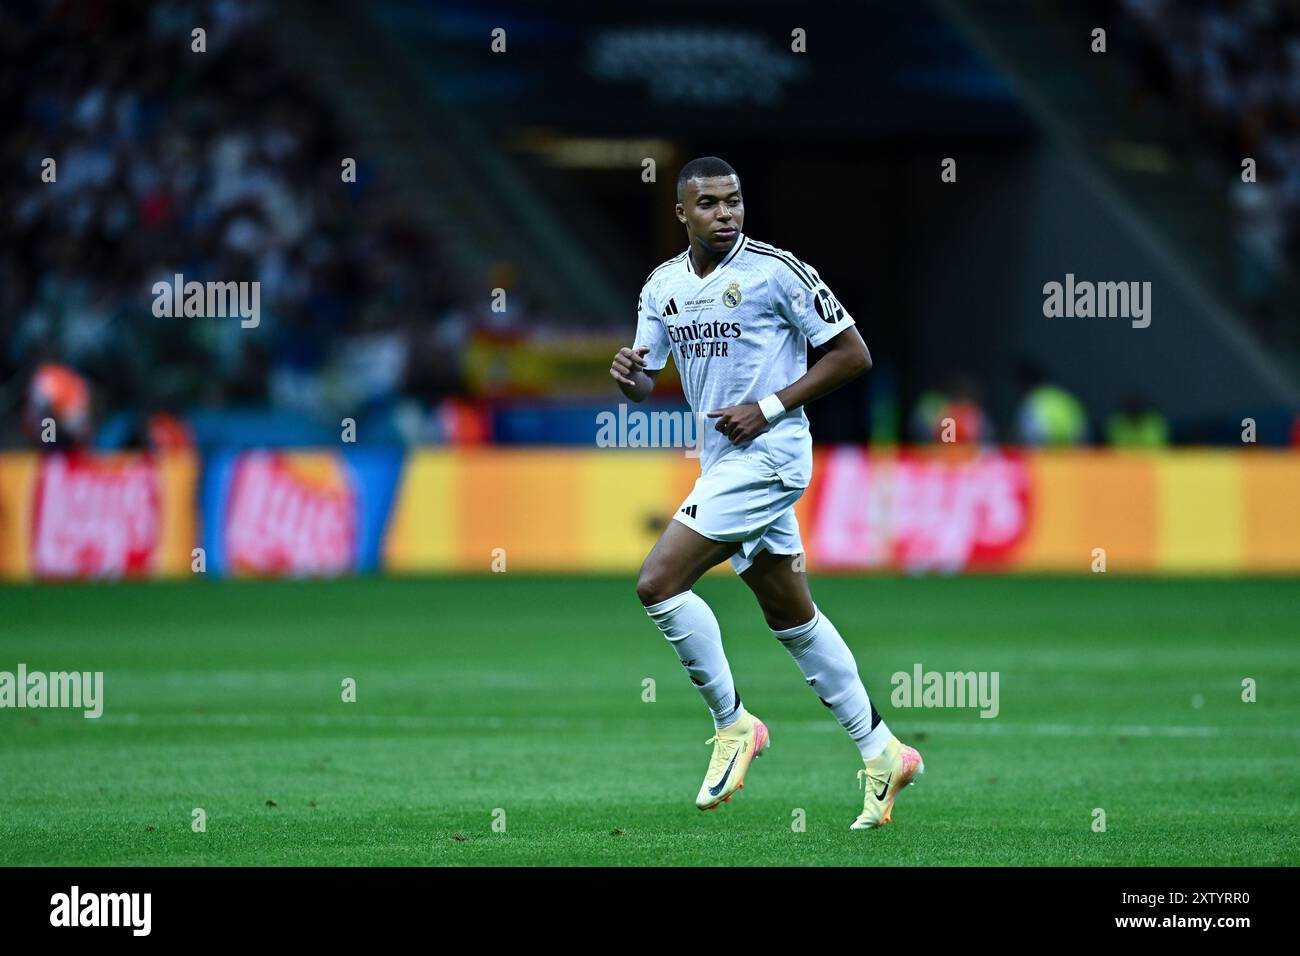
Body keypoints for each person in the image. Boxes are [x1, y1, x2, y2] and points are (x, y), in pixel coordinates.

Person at [609, 157, 923, 829]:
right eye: (710, 204)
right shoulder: (662, 286)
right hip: (722, 462)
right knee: (792, 617)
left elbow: (852, 353)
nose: (725, 213)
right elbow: (645, 378)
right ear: (682, 213)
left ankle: (733, 725)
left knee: (658, 582)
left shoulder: (776, 271)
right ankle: (883, 751)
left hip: (772, 454)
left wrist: (770, 406)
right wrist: (628, 375)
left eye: (734, 201)